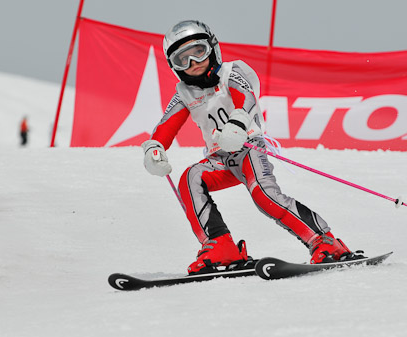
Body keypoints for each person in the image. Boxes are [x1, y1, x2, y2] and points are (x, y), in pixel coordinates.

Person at [142, 20, 360, 275]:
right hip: (220, 158)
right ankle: (220, 246)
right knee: (190, 179)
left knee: (264, 195)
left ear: (212, 48)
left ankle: (325, 241)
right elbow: (166, 125)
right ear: (175, 67)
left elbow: (245, 98)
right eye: (183, 59)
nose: (193, 63)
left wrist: (237, 124)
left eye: (198, 52)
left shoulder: (232, 73)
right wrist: (154, 149)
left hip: (249, 148)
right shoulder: (184, 93)